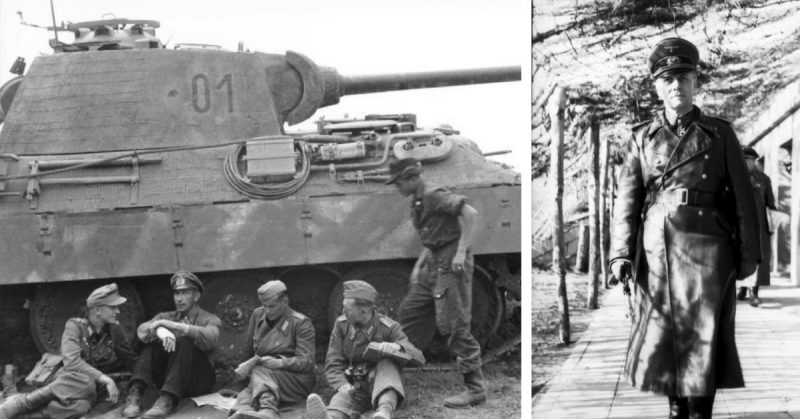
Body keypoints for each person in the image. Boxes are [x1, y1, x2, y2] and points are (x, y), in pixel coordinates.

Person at [609, 37, 760, 419]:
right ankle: (678, 410)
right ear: (657, 87)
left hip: (710, 250)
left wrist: (749, 253)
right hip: (658, 251)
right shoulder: (641, 138)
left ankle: (700, 413)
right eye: (668, 79)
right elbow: (626, 200)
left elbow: (743, 197)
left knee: (705, 338)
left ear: (696, 82)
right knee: (666, 341)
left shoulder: (719, 133)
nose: (676, 85)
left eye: (684, 77)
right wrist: (620, 255)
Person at [386, 157, 486, 408]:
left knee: (454, 325)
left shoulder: (433, 194)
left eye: (398, 183)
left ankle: (475, 389)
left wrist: (462, 251)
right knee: (410, 311)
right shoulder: (418, 199)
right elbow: (433, 237)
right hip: (434, 261)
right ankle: (393, 372)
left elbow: (470, 213)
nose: (396, 188)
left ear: (411, 178)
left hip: (451, 261)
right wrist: (420, 265)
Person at [0, 283, 137, 419]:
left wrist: (142, 377)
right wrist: (105, 379)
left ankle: (25, 416)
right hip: (66, 378)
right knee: (85, 382)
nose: (118, 311)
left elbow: (129, 357)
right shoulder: (75, 326)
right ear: (97, 310)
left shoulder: (114, 329)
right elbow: (72, 362)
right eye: (113, 307)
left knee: (81, 407)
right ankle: (23, 403)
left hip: (87, 389)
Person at [305, 280, 424, 419]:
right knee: (340, 402)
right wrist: (341, 384)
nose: (343, 311)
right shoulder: (342, 326)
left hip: (381, 385)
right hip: (354, 387)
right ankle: (329, 416)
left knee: (387, 363)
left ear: (364, 309)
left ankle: (384, 412)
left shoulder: (388, 327)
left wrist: (397, 347)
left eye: (347, 309)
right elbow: (333, 362)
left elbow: (419, 358)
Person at [121, 270, 221, 419]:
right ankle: (135, 393)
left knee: (183, 340)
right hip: (169, 378)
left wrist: (177, 327)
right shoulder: (166, 317)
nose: (179, 299)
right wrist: (161, 331)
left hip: (198, 380)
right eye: (176, 293)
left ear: (196, 296)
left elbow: (211, 338)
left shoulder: (209, 319)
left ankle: (167, 400)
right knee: (152, 343)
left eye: (184, 293)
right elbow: (142, 331)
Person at [228, 280, 316, 419]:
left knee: (259, 373)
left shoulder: (300, 323)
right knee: (247, 391)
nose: (267, 311)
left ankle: (269, 410)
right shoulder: (258, 315)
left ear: (285, 301)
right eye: (264, 305)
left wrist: (280, 363)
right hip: (264, 378)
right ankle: (243, 412)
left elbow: (307, 362)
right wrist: (243, 372)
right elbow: (247, 349)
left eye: (272, 306)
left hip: (295, 380)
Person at [736, 146, 776, 307]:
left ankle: (754, 292)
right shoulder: (734, 177)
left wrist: (773, 220)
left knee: (758, 257)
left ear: (754, 161)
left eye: (749, 160)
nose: (747, 163)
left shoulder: (764, 179)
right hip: (739, 224)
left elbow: (771, 203)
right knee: (740, 256)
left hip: (759, 225)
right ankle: (743, 289)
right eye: (744, 160)